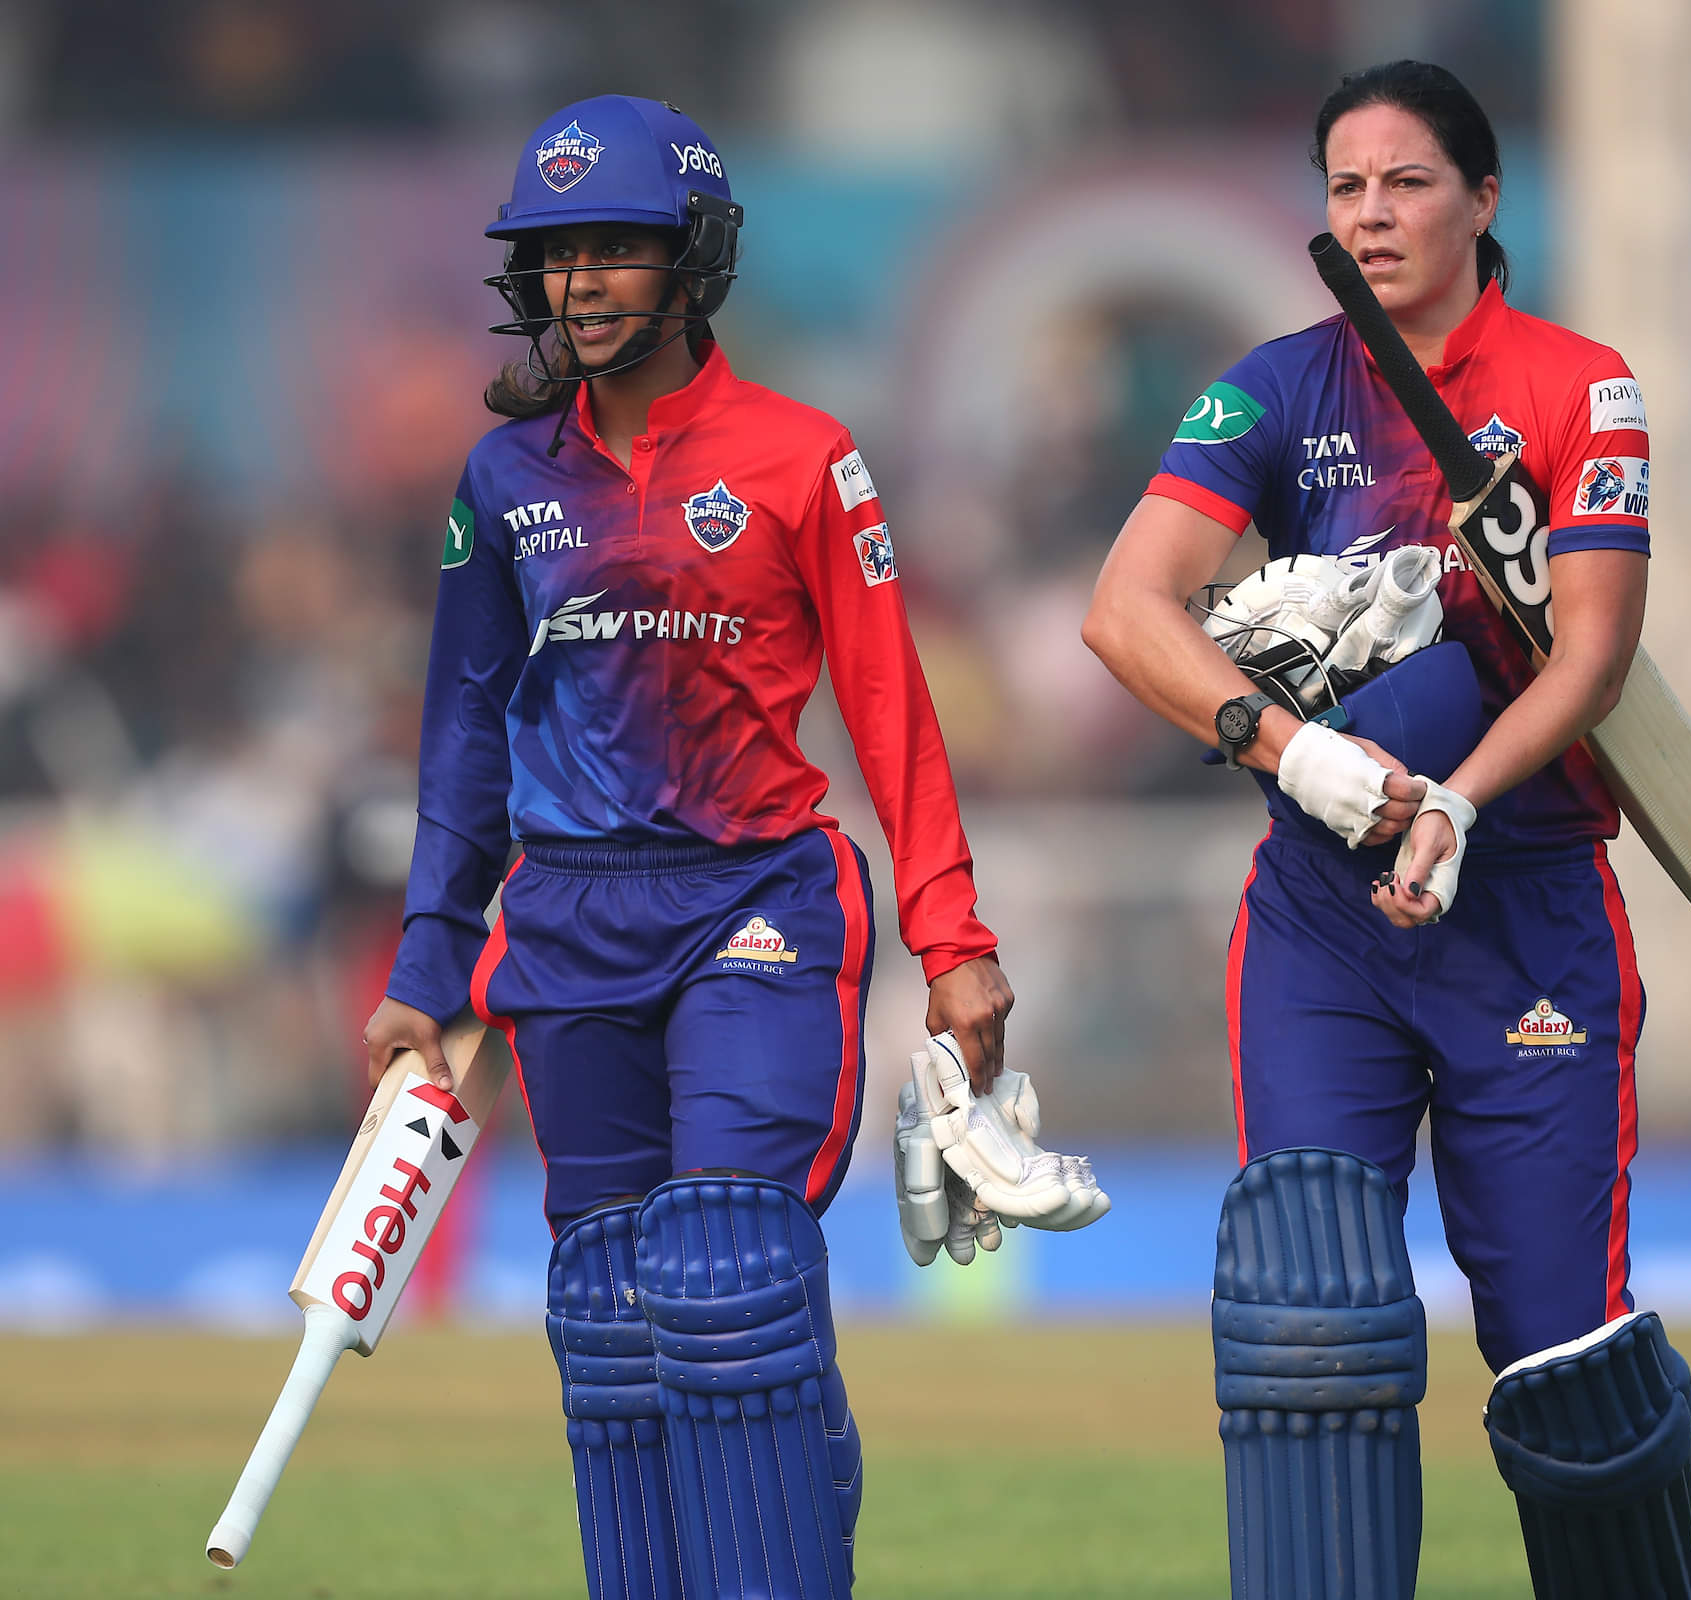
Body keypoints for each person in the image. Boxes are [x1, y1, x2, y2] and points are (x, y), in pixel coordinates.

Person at [360, 95, 1012, 1600]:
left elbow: (890, 705)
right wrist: (427, 963)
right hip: (570, 920)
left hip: (756, 904)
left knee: (728, 1272)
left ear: (692, 258)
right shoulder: (505, 483)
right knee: (613, 1319)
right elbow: (464, 735)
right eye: (555, 253)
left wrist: (953, 938)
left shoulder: (803, 459)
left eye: (616, 249)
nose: (581, 282)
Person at [1083, 61, 1691, 1600]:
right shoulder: (1276, 386)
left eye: (1407, 182)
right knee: (1313, 1315)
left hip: (1527, 907)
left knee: (1565, 1363)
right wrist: (1292, 750)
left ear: (1485, 200)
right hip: (1322, 917)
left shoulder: (1582, 385)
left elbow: (1593, 654)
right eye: (1345, 186)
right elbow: (1125, 607)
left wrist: (1458, 806)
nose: (1370, 213)